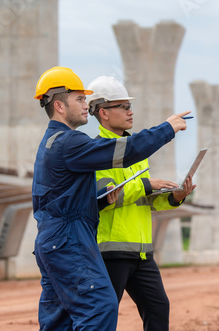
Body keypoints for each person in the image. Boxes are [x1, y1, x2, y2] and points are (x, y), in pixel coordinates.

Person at [32, 66, 190, 330]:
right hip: (72, 239)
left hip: (60, 237)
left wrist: (171, 197)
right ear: (59, 105)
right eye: (80, 99)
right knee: (100, 307)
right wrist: (167, 129)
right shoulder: (70, 143)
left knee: (60, 320)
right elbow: (127, 152)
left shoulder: (56, 142)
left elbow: (68, 200)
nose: (87, 105)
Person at [86, 76, 196, 330]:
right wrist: (148, 184)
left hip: (142, 251)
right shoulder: (96, 152)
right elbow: (106, 199)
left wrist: (174, 198)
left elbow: (145, 200)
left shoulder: (134, 152)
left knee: (158, 309)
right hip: (111, 252)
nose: (130, 112)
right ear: (103, 112)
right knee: (103, 316)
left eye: (129, 106)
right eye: (123, 107)